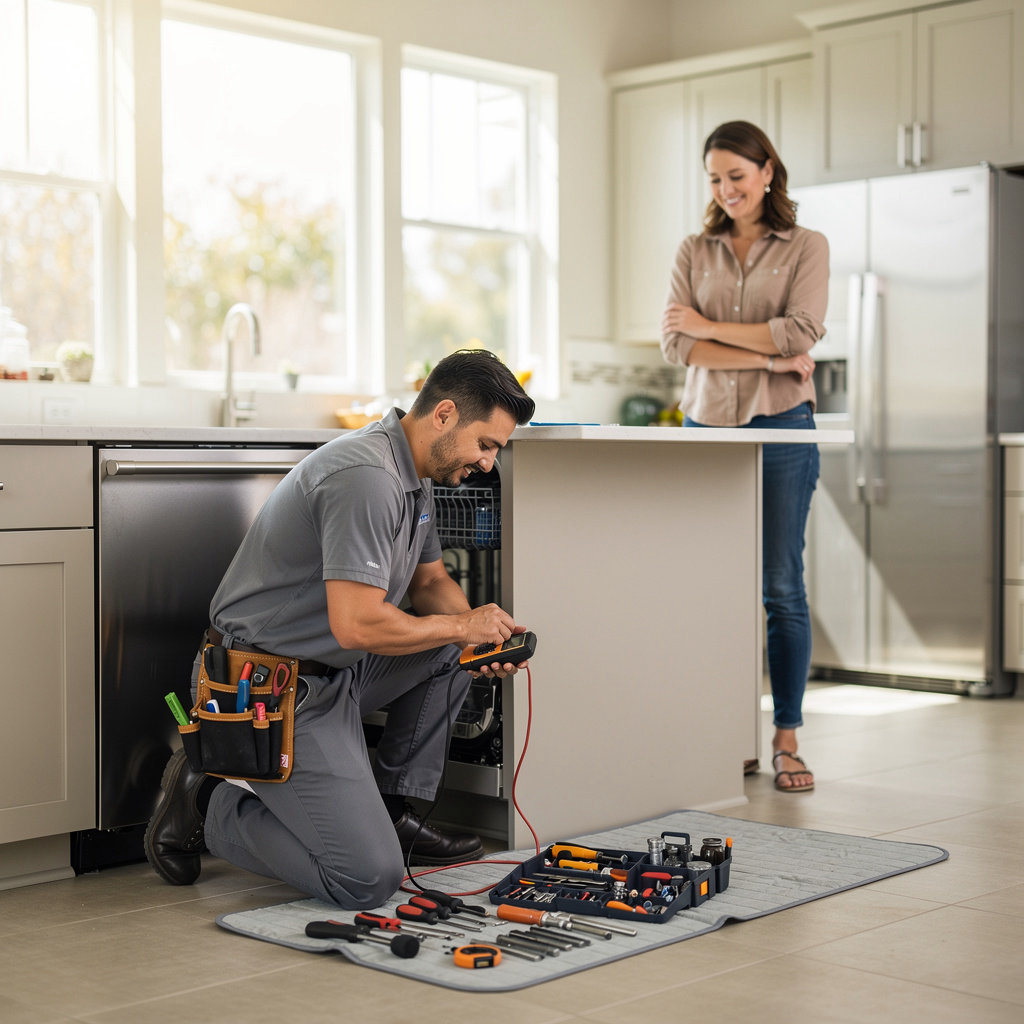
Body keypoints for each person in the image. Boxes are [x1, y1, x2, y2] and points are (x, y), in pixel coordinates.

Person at [144, 348, 536, 906]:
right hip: (266, 688)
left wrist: (478, 635)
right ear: (444, 414)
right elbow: (356, 625)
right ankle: (206, 800)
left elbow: (429, 582)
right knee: (367, 878)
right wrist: (460, 626)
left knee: (454, 649)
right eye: (487, 444)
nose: (489, 464)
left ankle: (391, 811)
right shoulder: (367, 478)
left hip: (334, 671)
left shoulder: (415, 474)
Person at [660, 120, 827, 793]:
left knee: (780, 586)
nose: (726, 189)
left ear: (766, 172)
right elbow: (677, 347)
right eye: (715, 178)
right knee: (709, 588)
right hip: (707, 427)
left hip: (783, 424)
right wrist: (768, 355)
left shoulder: (807, 245)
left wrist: (710, 327)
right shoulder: (693, 249)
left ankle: (786, 739)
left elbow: (802, 331)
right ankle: (725, 736)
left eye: (737, 175)